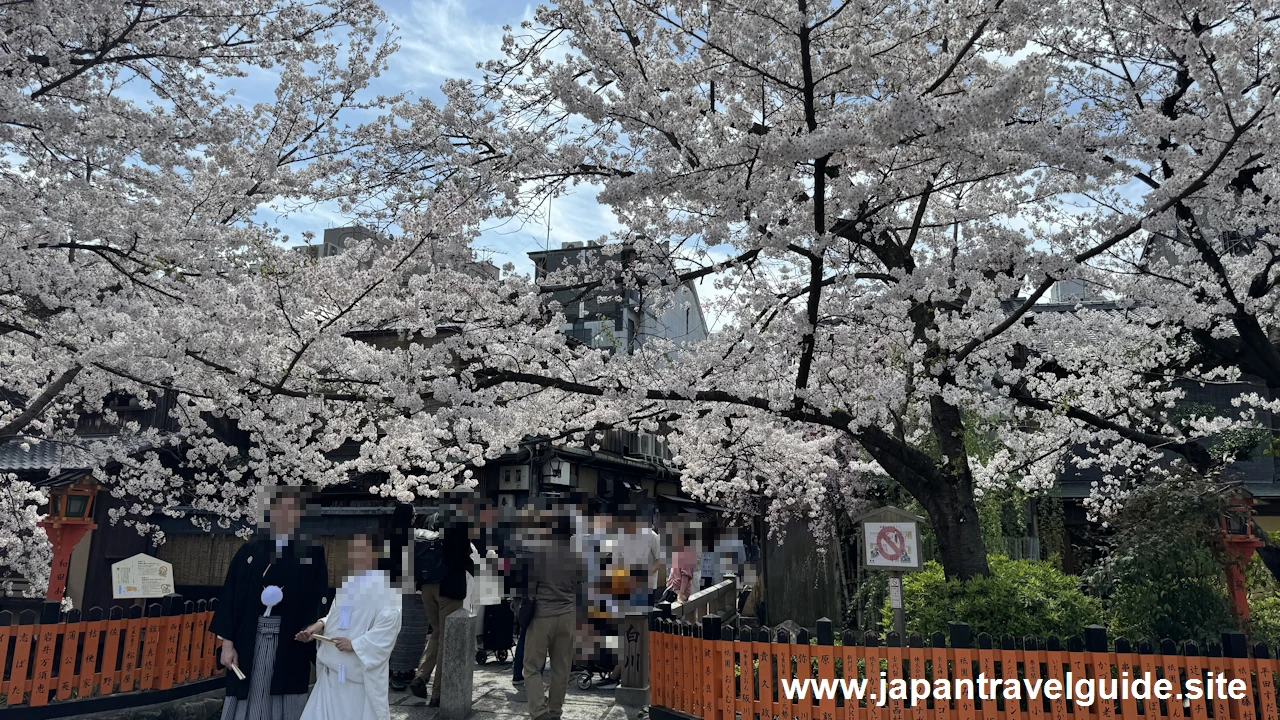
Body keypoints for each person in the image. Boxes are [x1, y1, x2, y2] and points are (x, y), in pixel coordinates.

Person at [210, 487, 330, 720]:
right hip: (249, 637)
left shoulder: (313, 552)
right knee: (249, 692)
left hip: (290, 640)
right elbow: (231, 599)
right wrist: (227, 645)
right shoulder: (251, 550)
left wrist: (313, 626)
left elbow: (319, 596)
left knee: (285, 691)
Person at [298, 534, 402, 720]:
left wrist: (356, 644)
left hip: (357, 679)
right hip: (330, 675)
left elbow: (388, 627)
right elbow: (336, 616)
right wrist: (321, 625)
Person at [519, 511, 585, 720]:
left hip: (541, 615)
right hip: (566, 615)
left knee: (531, 667)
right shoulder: (576, 554)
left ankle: (539, 712)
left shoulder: (540, 552)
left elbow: (529, 587)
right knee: (561, 669)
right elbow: (579, 585)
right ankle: (555, 712)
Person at [409, 503, 474, 705]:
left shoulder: (431, 519)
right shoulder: (460, 521)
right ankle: (438, 694)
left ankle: (421, 676)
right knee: (448, 638)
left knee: (437, 632)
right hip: (448, 587)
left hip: (427, 585)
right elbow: (462, 555)